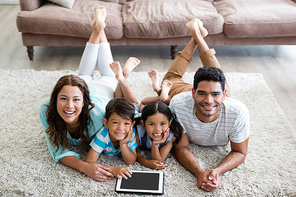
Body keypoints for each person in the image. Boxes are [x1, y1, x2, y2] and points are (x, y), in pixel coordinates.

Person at [39, 7, 140, 182]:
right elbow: (57, 150)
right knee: (83, 73)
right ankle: (98, 28)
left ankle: (99, 29)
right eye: (63, 99)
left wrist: (120, 82)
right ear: (55, 99)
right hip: (83, 86)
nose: (69, 106)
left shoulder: (99, 116)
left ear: (85, 102)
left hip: (104, 87)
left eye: (76, 101)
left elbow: (118, 101)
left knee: (105, 73)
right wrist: (84, 167)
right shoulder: (46, 108)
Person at [158, 18, 250, 192]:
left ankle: (197, 36)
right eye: (201, 94)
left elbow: (240, 152)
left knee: (217, 78)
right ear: (193, 93)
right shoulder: (179, 103)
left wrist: (217, 171)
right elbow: (181, 147)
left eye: (216, 95)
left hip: (216, 98)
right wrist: (199, 172)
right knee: (171, 79)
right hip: (183, 96)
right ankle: (196, 37)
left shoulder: (238, 111)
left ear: (223, 95)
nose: (209, 100)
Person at [85, 97, 137, 180]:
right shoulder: (102, 136)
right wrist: (113, 169)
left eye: (126, 123)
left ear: (132, 125)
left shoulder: (130, 133)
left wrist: (123, 143)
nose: (121, 128)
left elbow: (131, 162)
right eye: (115, 122)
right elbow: (89, 162)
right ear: (106, 123)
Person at [135, 101, 183, 170]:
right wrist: (146, 162)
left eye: (162, 124)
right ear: (143, 125)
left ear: (169, 123)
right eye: (151, 124)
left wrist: (155, 144)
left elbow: (158, 161)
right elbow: (132, 152)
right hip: (143, 111)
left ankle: (160, 98)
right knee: (136, 105)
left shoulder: (172, 136)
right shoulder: (138, 131)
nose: (157, 129)